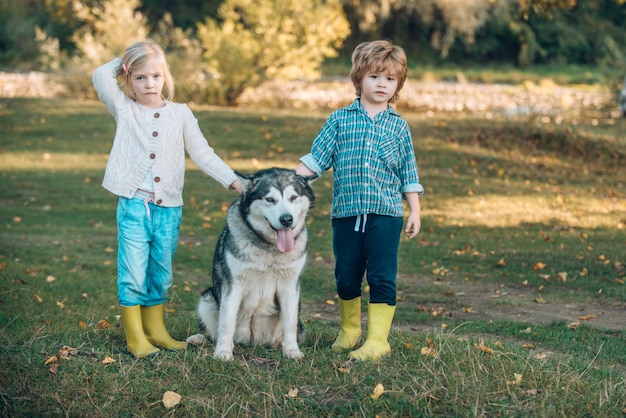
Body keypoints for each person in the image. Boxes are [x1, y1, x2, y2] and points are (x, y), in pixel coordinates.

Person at [92, 40, 242, 358]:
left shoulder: (180, 114)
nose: (149, 84)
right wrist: (123, 60)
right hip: (134, 205)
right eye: (140, 77)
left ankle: (156, 330)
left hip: (169, 209)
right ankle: (136, 337)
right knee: (133, 271)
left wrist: (232, 180)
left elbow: (202, 153)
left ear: (165, 77)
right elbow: (99, 77)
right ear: (128, 79)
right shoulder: (124, 109)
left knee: (161, 272)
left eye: (155, 76)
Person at [295, 40, 424, 361]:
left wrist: (415, 211)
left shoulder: (398, 126)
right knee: (347, 275)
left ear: (398, 85)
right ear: (359, 79)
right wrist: (289, 181)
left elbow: (408, 170)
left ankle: (378, 339)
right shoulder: (340, 120)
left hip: (386, 214)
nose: (382, 84)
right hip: (346, 214)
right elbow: (316, 159)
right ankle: (350, 331)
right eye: (375, 76)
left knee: (381, 275)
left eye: (390, 79)